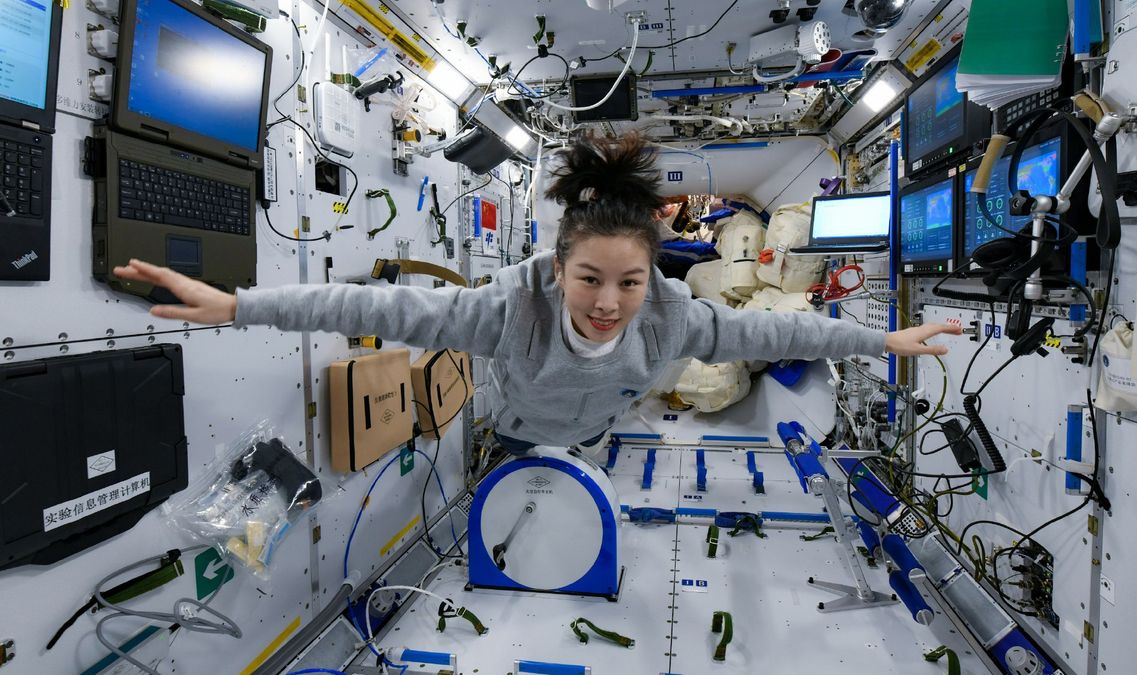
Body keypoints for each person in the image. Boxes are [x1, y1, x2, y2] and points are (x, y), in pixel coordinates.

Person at [113, 132, 960, 456]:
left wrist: (882, 342)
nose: (607, 301)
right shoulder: (501, 312)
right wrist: (238, 305)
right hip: (514, 425)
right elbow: (371, 308)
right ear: (558, 270)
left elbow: (790, 335)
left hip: (593, 429)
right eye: (589, 278)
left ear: (652, 278)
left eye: (630, 281)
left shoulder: (671, 323)